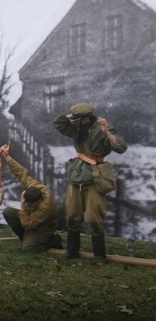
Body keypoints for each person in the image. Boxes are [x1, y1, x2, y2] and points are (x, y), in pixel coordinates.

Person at [53, 103, 127, 262]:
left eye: (77, 119)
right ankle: (72, 251)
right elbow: (58, 123)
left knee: (94, 219)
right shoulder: (76, 127)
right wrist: (71, 116)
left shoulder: (101, 128)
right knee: (72, 216)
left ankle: (99, 255)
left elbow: (120, 147)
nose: (74, 122)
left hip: (95, 177)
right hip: (77, 175)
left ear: (86, 119)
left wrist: (106, 132)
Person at [0, 144, 62, 253]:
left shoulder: (44, 208)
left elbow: (28, 224)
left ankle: (53, 241)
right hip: (31, 219)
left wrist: (22, 206)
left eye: (28, 203)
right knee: (8, 212)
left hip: (43, 227)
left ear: (38, 201)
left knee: (28, 249)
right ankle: (27, 239)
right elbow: (21, 173)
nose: (26, 203)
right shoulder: (36, 187)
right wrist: (7, 157)